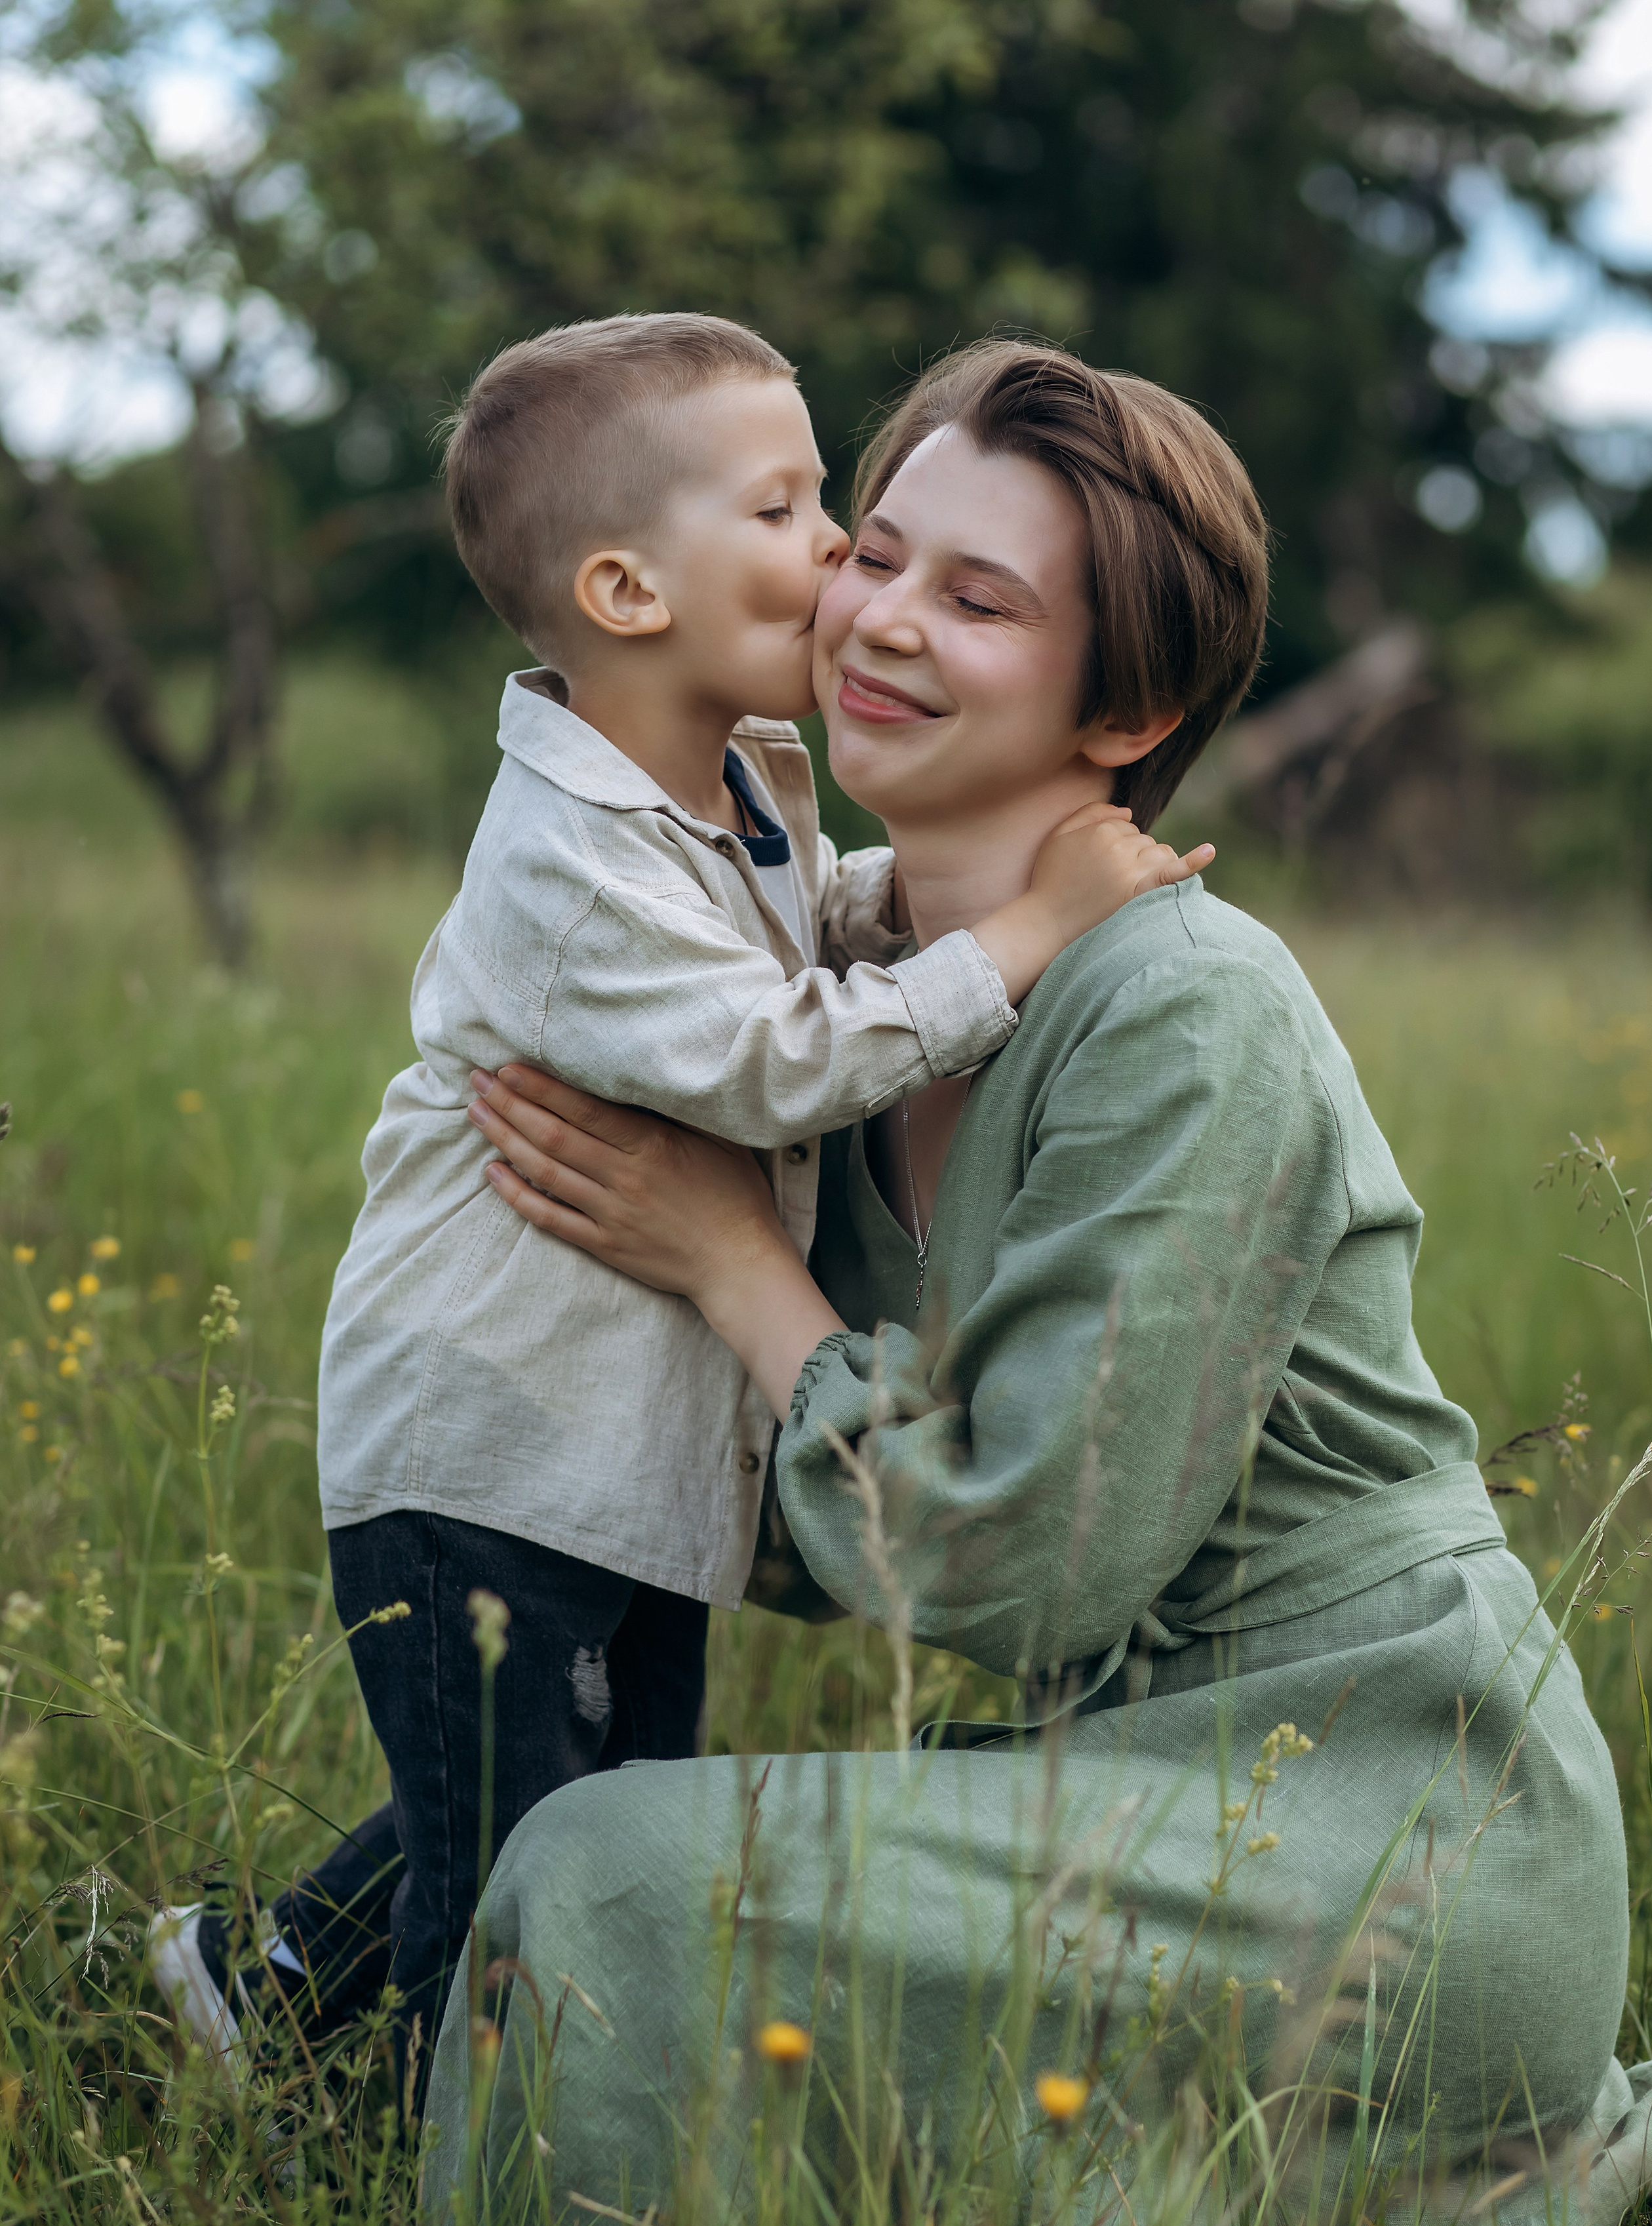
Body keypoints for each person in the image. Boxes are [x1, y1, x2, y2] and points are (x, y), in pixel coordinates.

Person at [429, 341, 1645, 2226]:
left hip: (1391, 1826)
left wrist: (734, 1264)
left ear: (1136, 707)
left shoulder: (1185, 1008)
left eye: (979, 602)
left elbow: (1018, 1560)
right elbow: (804, 1518)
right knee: (526, 1809)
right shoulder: (831, 990)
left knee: (606, 1878)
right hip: (1138, 1791)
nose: (882, 622)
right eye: (876, 551)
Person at [146, 315, 1206, 2080]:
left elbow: (807, 923)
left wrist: (956, 890)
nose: (842, 557)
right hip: (479, 1455)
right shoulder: (569, 865)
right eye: (794, 511)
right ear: (630, 592)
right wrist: (1027, 935)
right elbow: (775, 1058)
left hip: (606, 1450)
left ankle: (254, 1991)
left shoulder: (727, 787)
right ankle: (443, 2183)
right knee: (511, 1866)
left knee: (601, 1802)